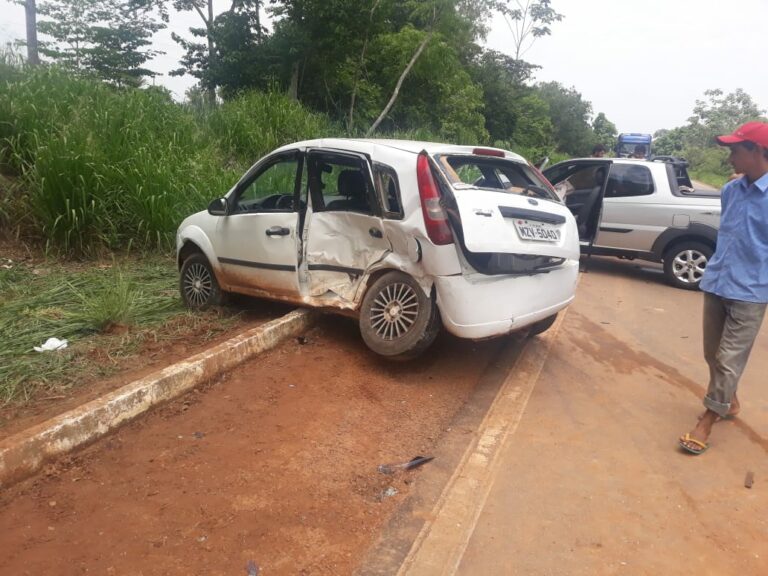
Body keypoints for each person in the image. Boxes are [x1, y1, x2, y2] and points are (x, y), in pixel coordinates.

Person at [679, 121, 768, 455]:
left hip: (752, 292)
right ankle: (728, 400)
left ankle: (707, 420)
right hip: (718, 282)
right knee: (712, 354)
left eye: (735, 150)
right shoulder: (731, 190)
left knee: (729, 360)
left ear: (758, 151)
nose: (730, 156)